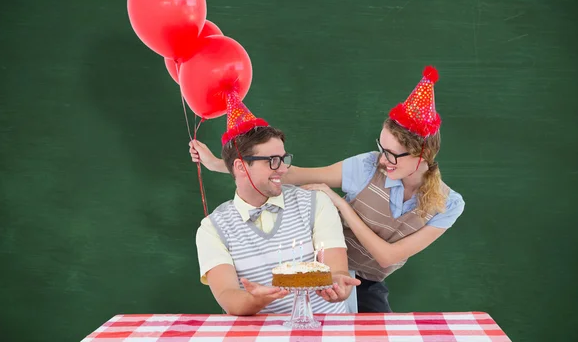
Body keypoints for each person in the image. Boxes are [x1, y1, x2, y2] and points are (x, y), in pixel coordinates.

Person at [190, 66, 465, 313]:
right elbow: (292, 174)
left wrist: (342, 204)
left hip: (365, 280)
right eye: (381, 149)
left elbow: (388, 257)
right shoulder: (368, 166)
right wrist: (219, 164)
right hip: (332, 271)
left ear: (423, 154)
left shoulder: (448, 204)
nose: (382, 160)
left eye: (392, 155)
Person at [195, 92, 360, 316]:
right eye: (272, 161)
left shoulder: (315, 202)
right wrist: (257, 299)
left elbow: (336, 268)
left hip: (325, 330)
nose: (283, 169)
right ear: (241, 167)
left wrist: (339, 283)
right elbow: (228, 297)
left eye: (284, 159)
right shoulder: (212, 229)